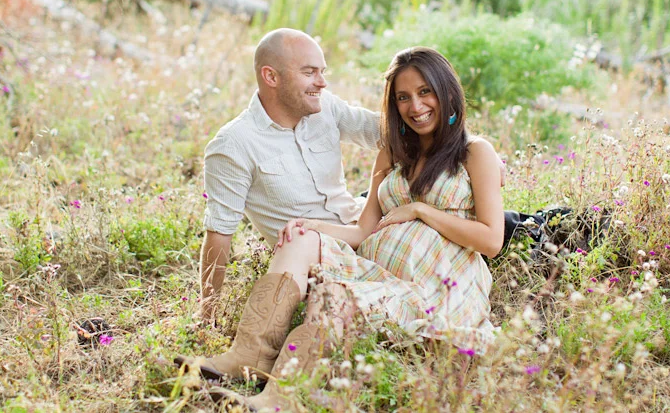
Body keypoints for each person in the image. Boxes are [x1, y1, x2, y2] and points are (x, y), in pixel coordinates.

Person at [179, 47, 504, 412]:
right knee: (300, 239)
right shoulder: (393, 152)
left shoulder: (475, 153)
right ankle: (250, 353)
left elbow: (492, 240)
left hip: (434, 287)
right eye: (403, 97)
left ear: (446, 91)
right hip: (377, 270)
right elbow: (364, 229)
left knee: (336, 297)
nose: (415, 106)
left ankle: (278, 397)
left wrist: (421, 210)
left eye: (425, 92)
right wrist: (312, 227)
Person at [198, 28, 380, 324]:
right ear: (271, 77)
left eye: (322, 72)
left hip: (363, 224)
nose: (321, 82)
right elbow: (220, 233)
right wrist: (207, 315)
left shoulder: (326, 107)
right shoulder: (234, 144)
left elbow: (379, 131)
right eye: (309, 72)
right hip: (318, 254)